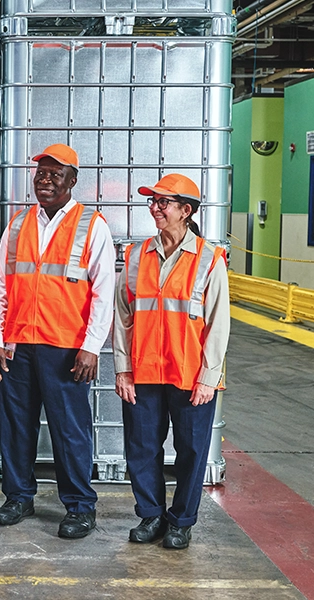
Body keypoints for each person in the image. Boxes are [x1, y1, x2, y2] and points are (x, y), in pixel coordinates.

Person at [0, 144, 116, 539]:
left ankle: (79, 507)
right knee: (15, 426)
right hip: (17, 346)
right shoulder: (18, 224)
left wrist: (92, 346)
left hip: (66, 349)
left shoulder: (92, 226)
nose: (45, 180)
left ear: (72, 181)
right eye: (40, 173)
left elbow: (103, 292)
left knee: (70, 430)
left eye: (55, 174)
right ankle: (18, 496)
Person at [113, 173, 229, 550]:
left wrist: (209, 377)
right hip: (144, 372)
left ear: (186, 210)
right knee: (141, 447)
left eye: (164, 202)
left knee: (192, 451)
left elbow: (218, 322)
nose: (155, 208)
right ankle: (151, 515)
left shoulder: (209, 259)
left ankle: (181, 521)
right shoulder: (135, 255)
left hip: (190, 373)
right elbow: (123, 318)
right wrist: (122, 369)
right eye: (153, 201)